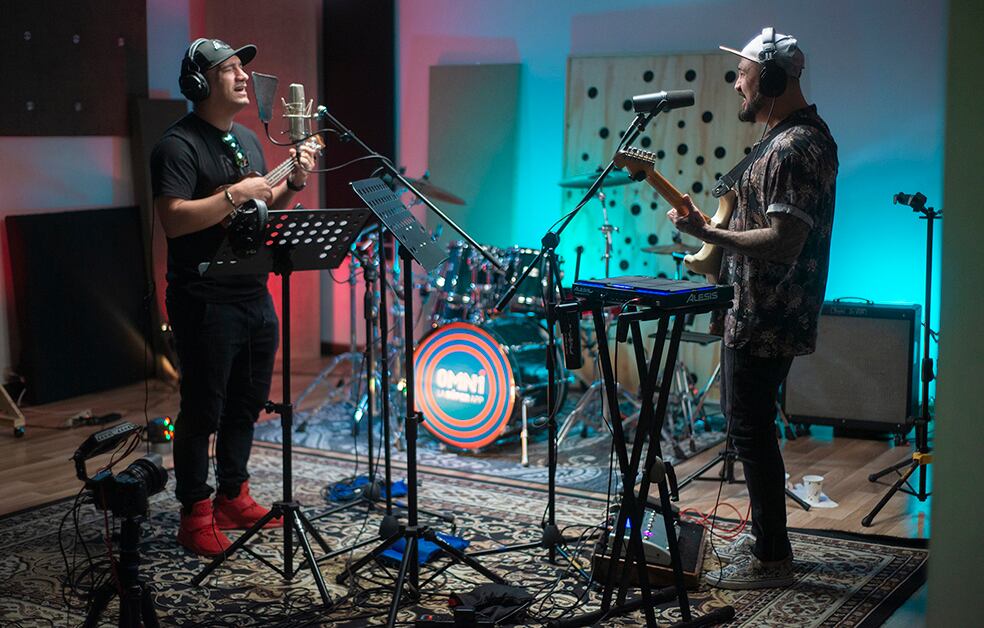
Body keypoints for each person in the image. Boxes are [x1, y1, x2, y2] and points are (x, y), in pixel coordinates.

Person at [668, 28, 838, 589]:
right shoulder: (785, 139)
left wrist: (711, 236)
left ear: (770, 78)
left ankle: (771, 557)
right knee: (750, 427)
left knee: (750, 429)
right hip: (756, 308)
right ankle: (768, 541)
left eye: (742, 74)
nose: (736, 84)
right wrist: (711, 233)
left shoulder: (793, 148)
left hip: (768, 314)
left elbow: (785, 241)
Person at [150, 38, 317, 557]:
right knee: (203, 409)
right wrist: (234, 193)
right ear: (199, 83)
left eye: (244, 68)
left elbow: (259, 212)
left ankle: (232, 495)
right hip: (203, 297)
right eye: (230, 69)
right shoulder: (177, 146)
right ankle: (194, 513)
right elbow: (174, 219)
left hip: (252, 291)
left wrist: (294, 181)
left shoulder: (245, 138)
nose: (244, 76)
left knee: (245, 404)